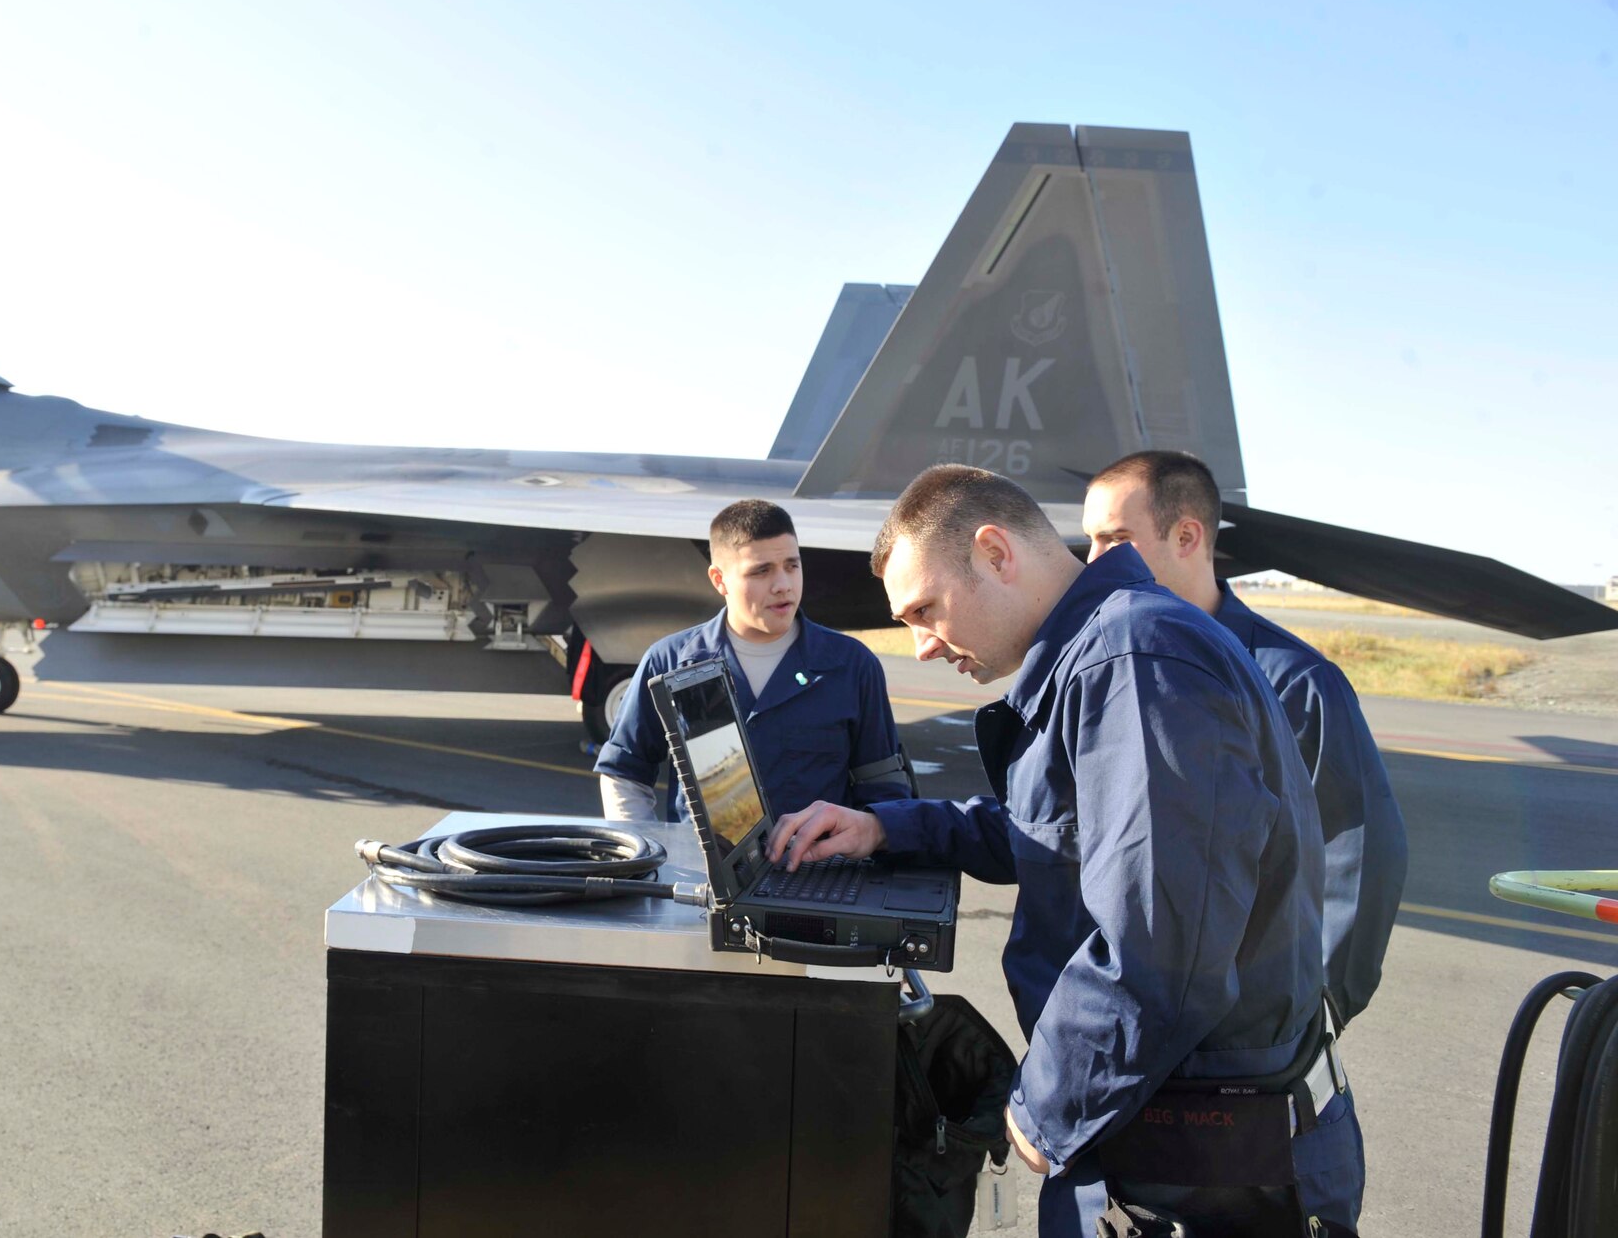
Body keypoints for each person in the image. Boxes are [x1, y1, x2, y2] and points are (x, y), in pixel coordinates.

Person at [768, 465, 1363, 1237]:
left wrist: (1045, 1106)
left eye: (925, 609)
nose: (920, 646)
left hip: (1200, 1167)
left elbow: (1158, 947)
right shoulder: (1111, 649)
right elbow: (1058, 832)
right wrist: (886, 827)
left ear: (995, 553)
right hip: (1157, 1124)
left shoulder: (1134, 661)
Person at [1081, 451, 1408, 1030]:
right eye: (1091, 541)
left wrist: (1322, 1006)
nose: (1093, 562)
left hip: (1249, 1031)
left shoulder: (1294, 682)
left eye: (1115, 539)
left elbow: (1358, 855)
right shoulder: (1107, 668)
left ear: (1186, 537)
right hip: (1130, 1013)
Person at [594, 499, 911, 822]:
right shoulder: (670, 663)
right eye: (761, 571)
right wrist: (649, 847)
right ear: (719, 580)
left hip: (818, 856)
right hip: (699, 856)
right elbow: (624, 773)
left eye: (792, 566)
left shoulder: (852, 666)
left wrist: (864, 840)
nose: (783, 585)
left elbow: (884, 789)